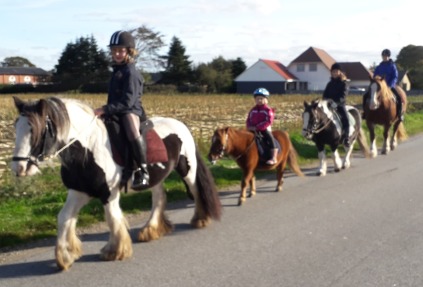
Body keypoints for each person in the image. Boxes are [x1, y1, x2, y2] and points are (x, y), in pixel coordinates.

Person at [94, 30, 149, 189]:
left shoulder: (131, 72)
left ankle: (141, 170)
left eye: (120, 50)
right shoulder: (117, 70)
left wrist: (105, 109)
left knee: (131, 129)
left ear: (129, 51)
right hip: (115, 110)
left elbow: (127, 101)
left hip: (130, 109)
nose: (117, 54)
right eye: (114, 51)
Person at [368, 48, 403, 121]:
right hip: (379, 87)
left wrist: (389, 85)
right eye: (383, 56)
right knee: (366, 96)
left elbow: (395, 77)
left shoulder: (392, 66)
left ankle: (399, 115)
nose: (385, 57)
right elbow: (375, 76)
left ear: (389, 57)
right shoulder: (379, 66)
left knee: (398, 98)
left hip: (389, 86)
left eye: (386, 56)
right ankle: (366, 114)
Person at [246, 87, 278, 165]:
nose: (259, 100)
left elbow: (269, 121)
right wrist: (249, 126)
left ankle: (274, 157)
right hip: (253, 129)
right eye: (257, 99)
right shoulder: (253, 110)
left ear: (266, 99)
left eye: (261, 98)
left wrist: (258, 127)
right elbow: (248, 119)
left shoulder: (268, 110)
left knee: (270, 138)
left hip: (264, 129)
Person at [322, 63, 351, 147]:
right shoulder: (329, 84)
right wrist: (326, 101)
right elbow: (324, 95)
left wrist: (336, 103)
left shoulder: (344, 83)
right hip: (329, 105)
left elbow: (343, 96)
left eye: (336, 71)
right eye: (333, 72)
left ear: (340, 72)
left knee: (345, 119)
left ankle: (346, 138)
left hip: (339, 105)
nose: (334, 73)